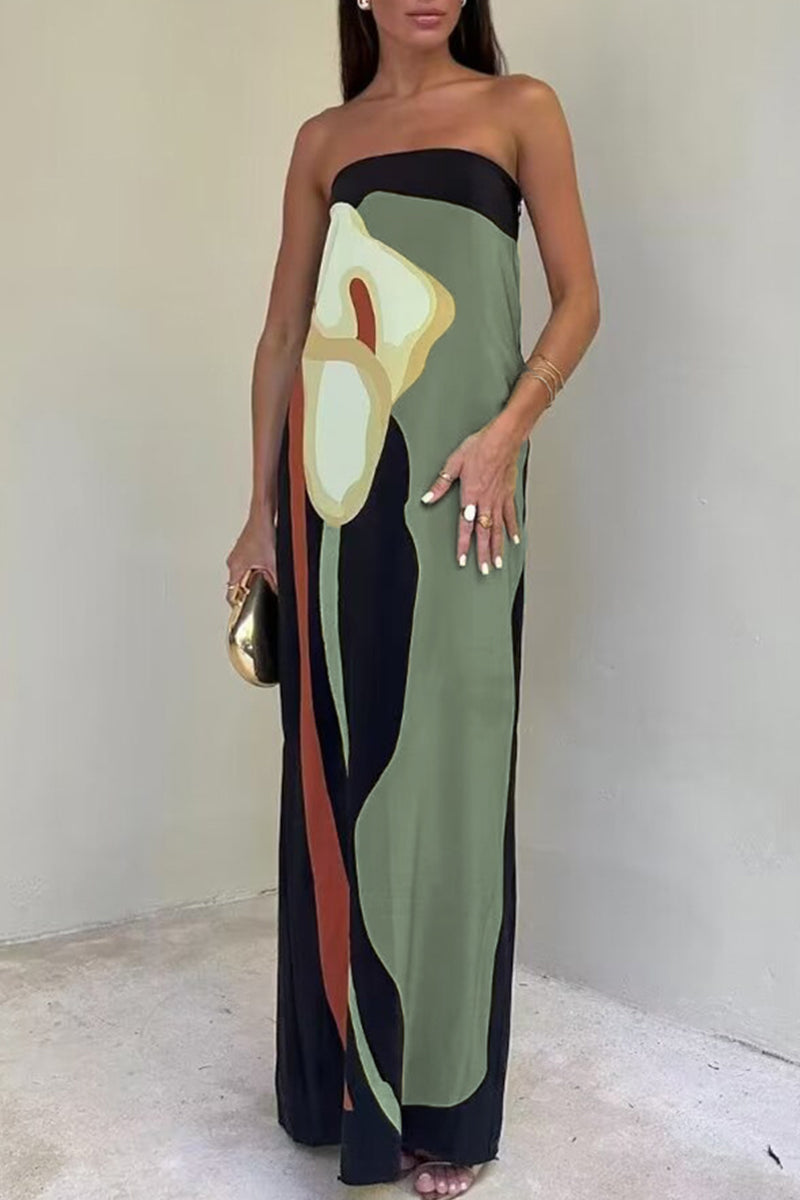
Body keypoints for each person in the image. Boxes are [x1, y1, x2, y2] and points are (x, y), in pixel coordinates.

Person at [226, 0, 600, 1192]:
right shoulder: (323, 140)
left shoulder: (518, 108)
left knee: (452, 777)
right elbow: (282, 332)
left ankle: (444, 1100)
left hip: (467, 494)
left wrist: (503, 437)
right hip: (334, 496)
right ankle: (347, 1091)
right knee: (344, 775)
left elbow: (578, 298)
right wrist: (259, 510)